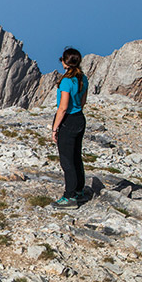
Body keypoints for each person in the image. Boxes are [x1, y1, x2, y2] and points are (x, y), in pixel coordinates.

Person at [51, 47, 89, 209]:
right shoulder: (83, 78)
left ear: (64, 62)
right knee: (76, 156)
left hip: (68, 121)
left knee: (67, 161)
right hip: (79, 118)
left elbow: (63, 107)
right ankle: (79, 191)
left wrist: (55, 128)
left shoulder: (66, 81)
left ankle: (69, 196)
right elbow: (82, 102)